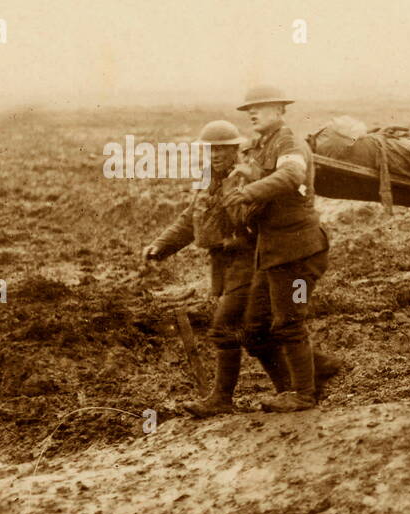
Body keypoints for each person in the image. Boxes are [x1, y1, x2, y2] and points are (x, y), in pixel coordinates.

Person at [225, 85, 343, 413]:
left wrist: (250, 192)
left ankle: (304, 394)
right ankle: (310, 374)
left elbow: (292, 174)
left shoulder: (288, 142)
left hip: (298, 252)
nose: (252, 113)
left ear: (278, 111)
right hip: (274, 253)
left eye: (260, 108)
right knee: (254, 331)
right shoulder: (263, 147)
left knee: (289, 323)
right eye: (249, 109)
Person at [143, 120, 257, 417]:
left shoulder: (246, 177)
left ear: (235, 150)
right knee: (256, 335)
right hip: (224, 264)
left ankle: (222, 398)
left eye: (222, 149)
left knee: (225, 327)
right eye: (210, 149)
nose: (215, 154)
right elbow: (190, 218)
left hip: (249, 261)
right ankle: (303, 381)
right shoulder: (209, 179)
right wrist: (161, 246)